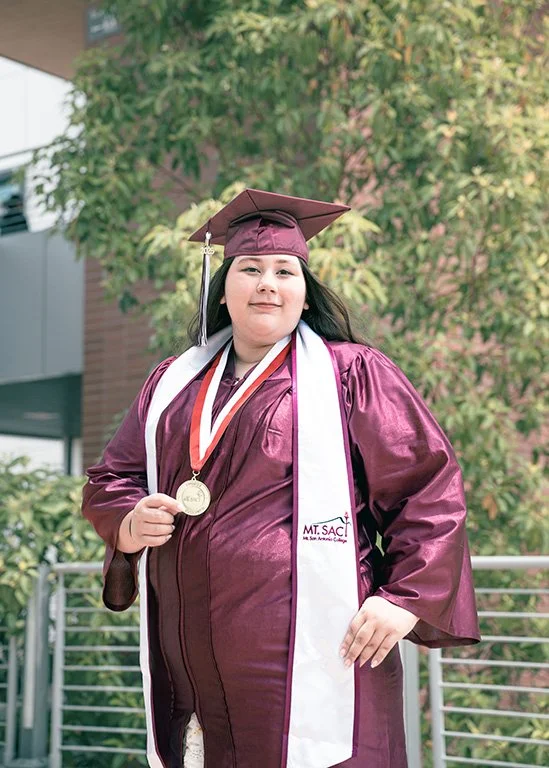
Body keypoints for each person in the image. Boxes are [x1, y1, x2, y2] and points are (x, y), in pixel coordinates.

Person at [82, 188, 480, 768]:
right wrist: (126, 519)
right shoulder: (172, 384)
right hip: (191, 660)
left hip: (320, 649)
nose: (267, 283)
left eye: (283, 270)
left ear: (303, 289)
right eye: (249, 268)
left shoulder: (352, 374)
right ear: (223, 289)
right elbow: (110, 478)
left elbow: (427, 490)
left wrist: (406, 599)